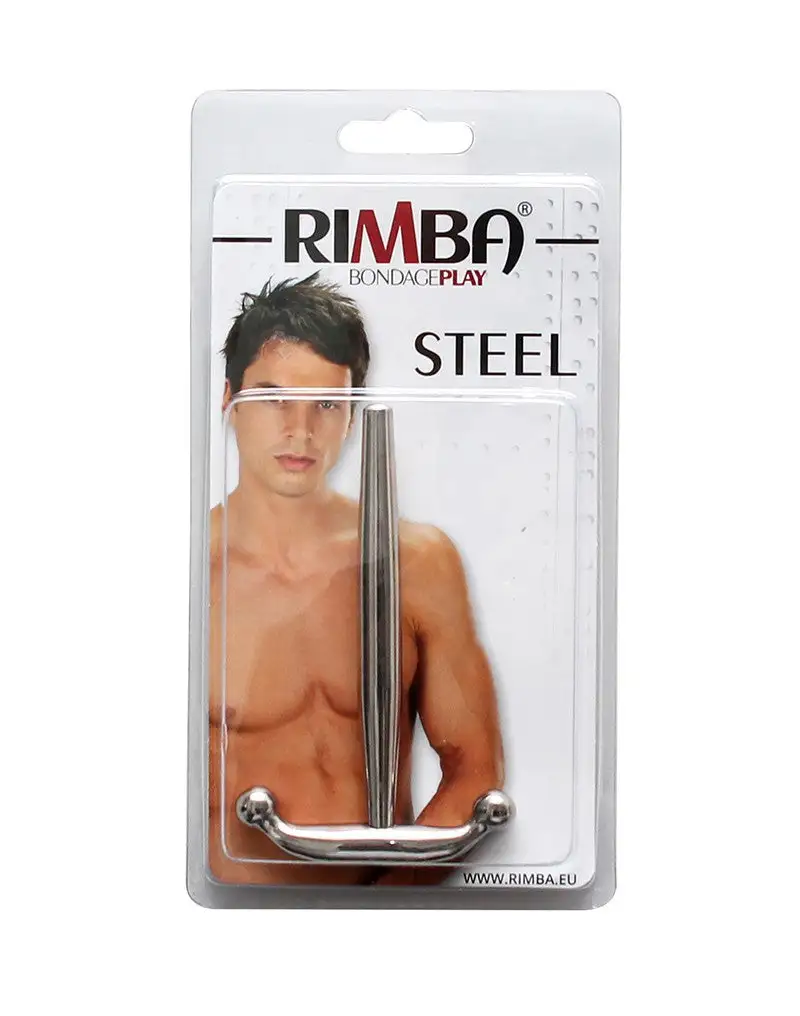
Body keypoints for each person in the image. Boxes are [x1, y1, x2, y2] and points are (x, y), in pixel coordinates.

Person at [209, 273, 504, 885]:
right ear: (229, 402)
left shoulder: (417, 561)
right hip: (225, 918)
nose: (300, 429)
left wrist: (384, 910)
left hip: (385, 904)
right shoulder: (184, 569)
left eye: (326, 403)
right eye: (273, 399)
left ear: (352, 416)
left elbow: (474, 774)